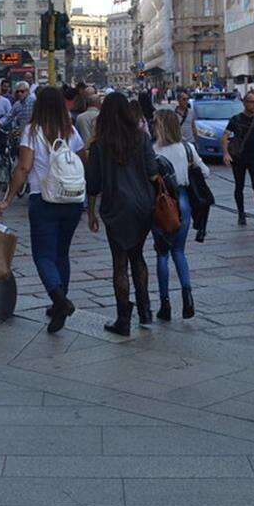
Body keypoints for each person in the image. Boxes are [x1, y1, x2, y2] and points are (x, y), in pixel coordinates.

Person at [0, 86, 84, 334]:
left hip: (44, 200)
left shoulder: (32, 131)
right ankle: (58, 305)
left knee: (43, 256)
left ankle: (60, 301)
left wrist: (8, 198)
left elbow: (23, 168)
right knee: (62, 254)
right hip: (72, 201)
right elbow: (82, 159)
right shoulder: (70, 129)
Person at [86, 92, 160, 337]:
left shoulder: (99, 144)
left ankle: (123, 319)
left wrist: (91, 214)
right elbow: (153, 171)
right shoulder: (142, 137)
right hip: (142, 206)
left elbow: (93, 183)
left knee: (119, 262)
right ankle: (146, 312)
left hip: (116, 207)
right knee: (138, 256)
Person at [152, 109, 207, 321]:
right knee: (179, 252)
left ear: (160, 126)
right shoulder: (187, 148)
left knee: (162, 254)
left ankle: (165, 304)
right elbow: (206, 172)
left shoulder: (153, 150)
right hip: (184, 202)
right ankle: (188, 298)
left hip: (163, 203)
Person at [221, 92, 254, 227]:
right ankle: (241, 214)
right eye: (251, 102)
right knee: (239, 186)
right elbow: (225, 136)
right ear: (245, 103)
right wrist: (226, 153)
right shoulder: (236, 119)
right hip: (239, 158)